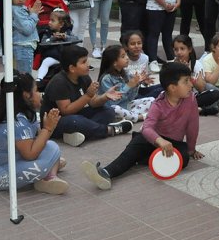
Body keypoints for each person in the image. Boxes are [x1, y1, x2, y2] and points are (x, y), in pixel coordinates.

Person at [80, 62, 203, 190]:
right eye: (186, 81)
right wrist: (160, 141)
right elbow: (147, 128)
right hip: (151, 139)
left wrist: (191, 149)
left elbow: (193, 126)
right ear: (172, 87)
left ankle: (142, 158)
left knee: (184, 158)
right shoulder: (158, 105)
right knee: (133, 148)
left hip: (173, 143)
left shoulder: (191, 99)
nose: (191, 84)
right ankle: (106, 173)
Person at [0, 73, 69, 195]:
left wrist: (46, 129)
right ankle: (48, 177)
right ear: (26, 95)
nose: (39, 94)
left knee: (50, 148)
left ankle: (50, 168)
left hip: (6, 163)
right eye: (36, 90)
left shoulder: (16, 112)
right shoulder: (18, 121)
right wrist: (48, 129)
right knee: (53, 149)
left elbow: (35, 141)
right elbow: (30, 155)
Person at [40, 44, 133, 147]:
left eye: (87, 60)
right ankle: (110, 130)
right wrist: (88, 95)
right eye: (84, 62)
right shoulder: (59, 82)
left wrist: (105, 96)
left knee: (108, 111)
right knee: (75, 121)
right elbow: (66, 111)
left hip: (76, 115)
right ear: (72, 68)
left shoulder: (84, 77)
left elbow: (93, 103)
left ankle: (78, 133)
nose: (88, 64)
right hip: (56, 122)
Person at [98, 45, 155, 123]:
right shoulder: (106, 79)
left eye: (126, 55)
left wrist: (136, 84)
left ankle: (129, 116)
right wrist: (128, 86)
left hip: (126, 106)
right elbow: (112, 102)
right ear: (114, 62)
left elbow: (131, 98)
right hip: (112, 109)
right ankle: (139, 117)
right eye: (123, 56)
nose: (127, 58)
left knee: (151, 100)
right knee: (115, 109)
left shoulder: (126, 73)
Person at [171, 35, 219, 116]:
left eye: (182, 49)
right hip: (177, 98)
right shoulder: (172, 65)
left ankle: (189, 108)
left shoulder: (196, 65)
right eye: (176, 49)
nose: (179, 52)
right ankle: (200, 110)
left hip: (193, 97)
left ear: (189, 49)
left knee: (215, 93)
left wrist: (189, 73)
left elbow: (201, 88)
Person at [35, 8, 76, 82]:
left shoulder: (67, 32)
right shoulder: (47, 32)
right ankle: (39, 78)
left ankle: (74, 80)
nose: (49, 22)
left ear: (61, 24)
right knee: (46, 62)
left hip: (65, 57)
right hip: (53, 57)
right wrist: (52, 38)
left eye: (52, 20)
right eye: (49, 20)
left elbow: (75, 39)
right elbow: (44, 43)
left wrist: (66, 37)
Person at [121, 30, 163, 98]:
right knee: (153, 96)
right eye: (132, 44)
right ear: (126, 46)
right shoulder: (123, 60)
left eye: (139, 43)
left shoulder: (145, 58)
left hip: (138, 90)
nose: (136, 46)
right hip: (126, 93)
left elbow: (142, 79)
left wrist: (144, 82)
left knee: (164, 86)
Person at [11, 0, 42, 74]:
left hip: (23, 45)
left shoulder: (20, 8)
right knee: (25, 76)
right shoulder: (16, 10)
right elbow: (27, 29)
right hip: (23, 46)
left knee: (22, 75)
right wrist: (34, 15)